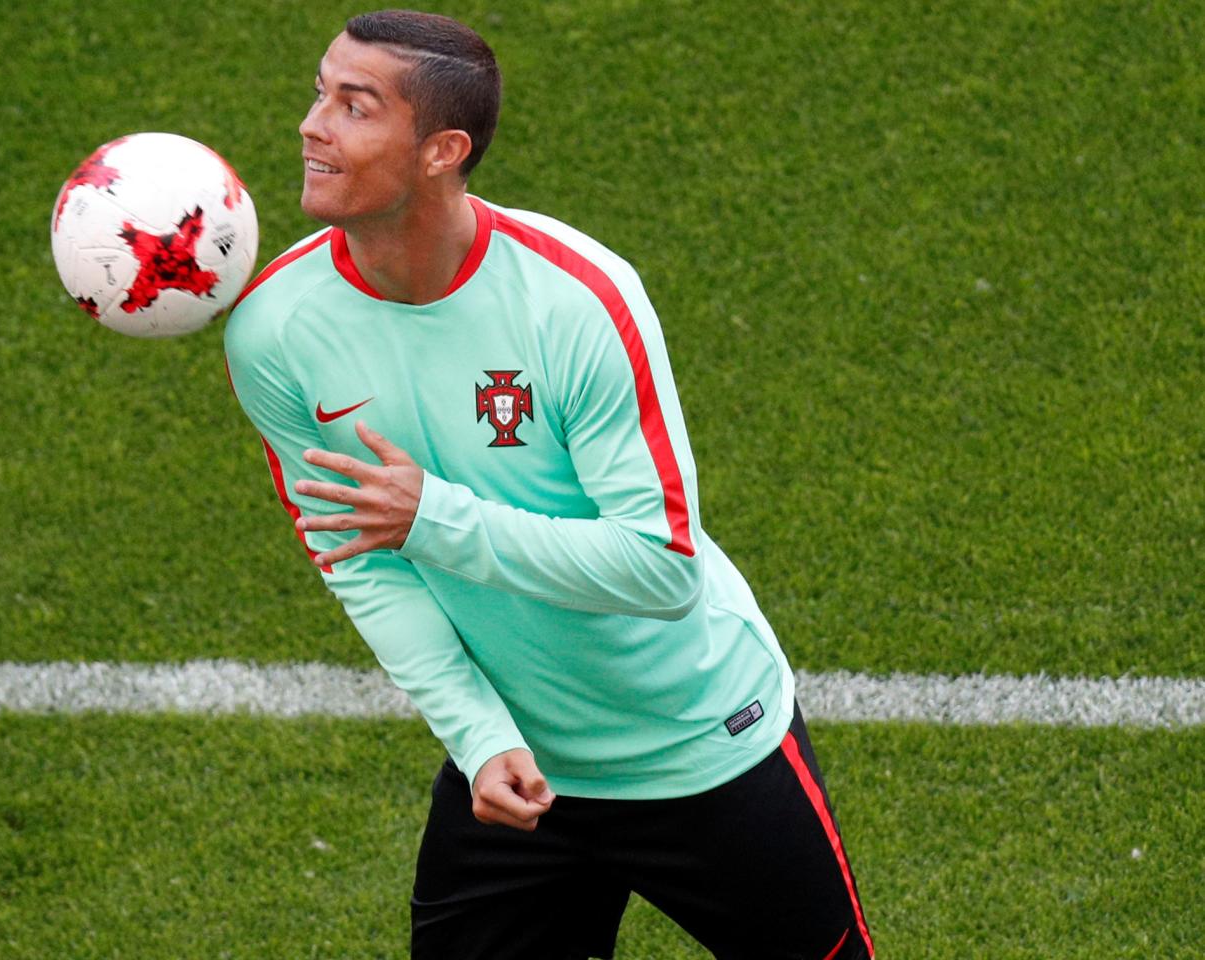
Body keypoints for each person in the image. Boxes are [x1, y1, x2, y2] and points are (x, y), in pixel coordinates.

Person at [222, 10, 874, 959]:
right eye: (321, 92)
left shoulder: (576, 300)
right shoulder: (275, 330)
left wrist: (432, 516)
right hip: (524, 772)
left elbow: (660, 568)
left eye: (353, 107)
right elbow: (358, 559)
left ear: (443, 149)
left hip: (700, 746)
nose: (311, 124)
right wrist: (478, 734)